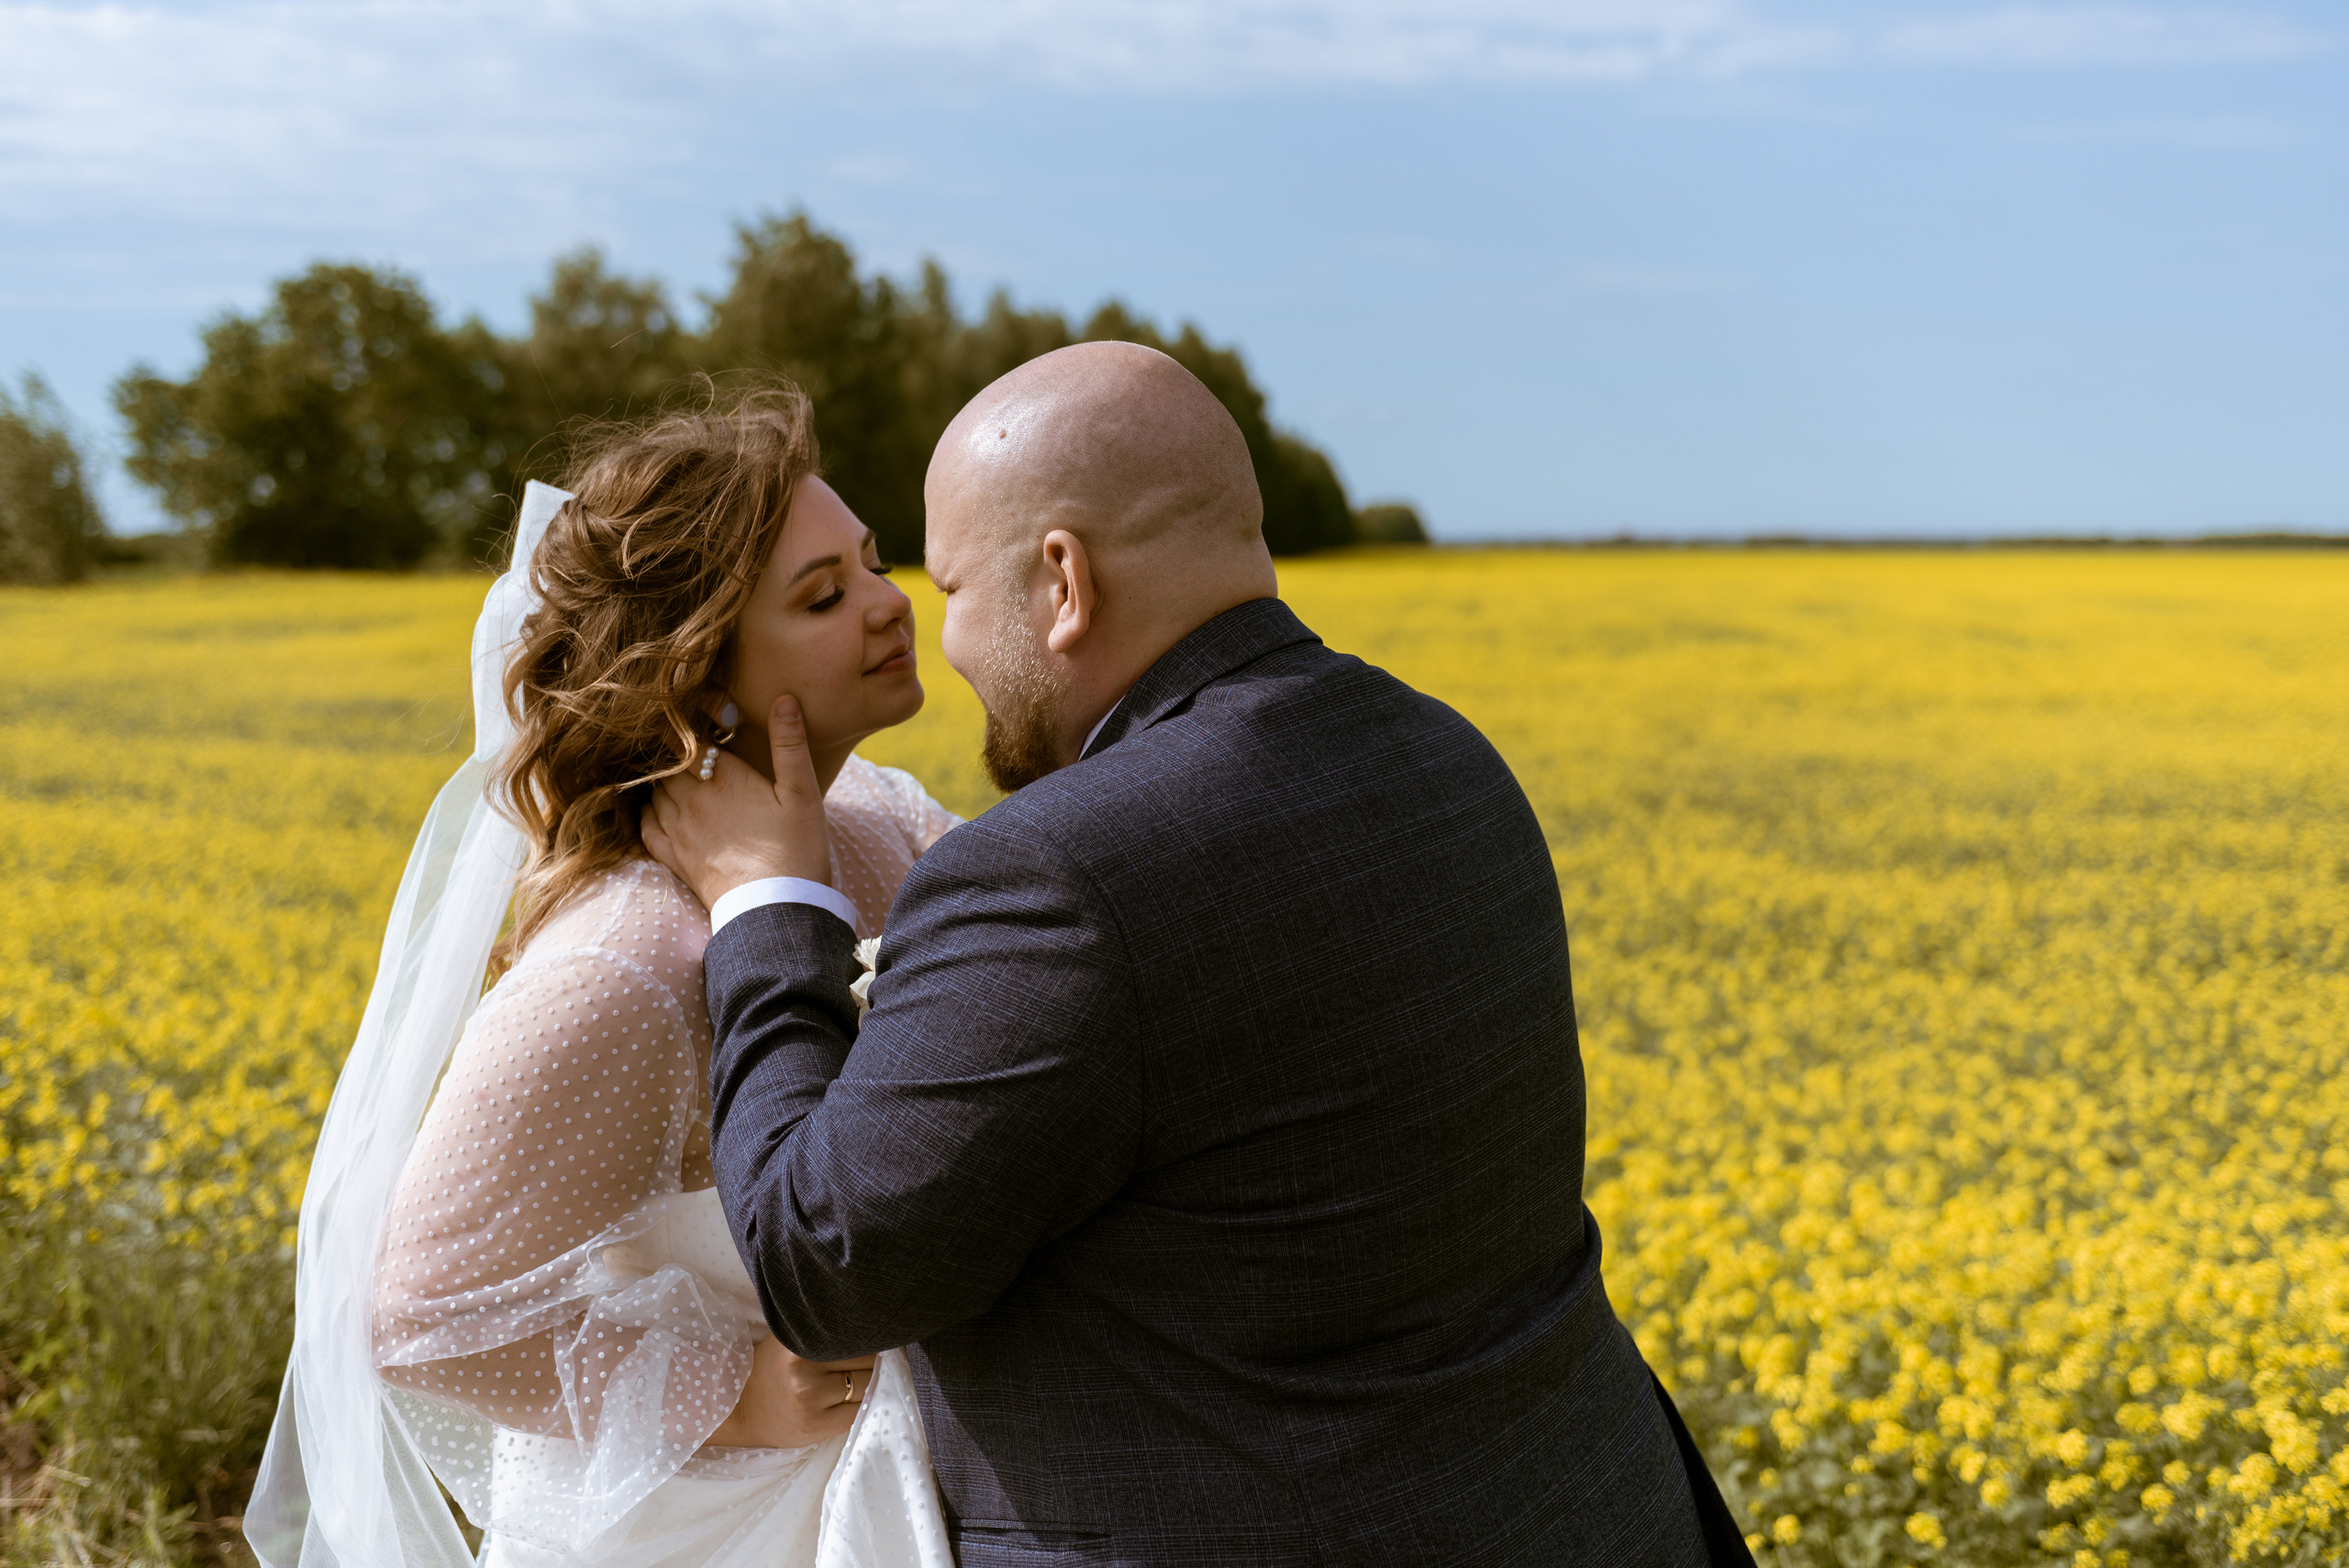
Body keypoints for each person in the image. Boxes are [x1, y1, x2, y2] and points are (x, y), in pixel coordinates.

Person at [641, 343, 1755, 1565]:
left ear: (1061, 581)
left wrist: (766, 900)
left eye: (956, 587)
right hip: (1594, 1511)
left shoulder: (1058, 877)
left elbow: (826, 1268)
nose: (941, 638)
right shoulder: (1448, 759)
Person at [249, 387, 959, 1567]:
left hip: (897, 1475)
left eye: (873, 562)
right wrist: (736, 1397)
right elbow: (422, 1311)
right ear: (698, 680)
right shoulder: (624, 961)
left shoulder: (884, 820)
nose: (892, 605)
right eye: (824, 596)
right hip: (717, 1523)